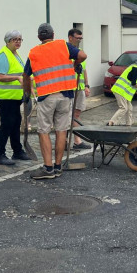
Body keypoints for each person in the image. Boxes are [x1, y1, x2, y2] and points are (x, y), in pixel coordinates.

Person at [23, 23, 86, 180]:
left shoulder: (34, 52)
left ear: (39, 37)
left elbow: (26, 76)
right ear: (53, 35)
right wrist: (76, 64)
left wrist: (26, 92)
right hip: (66, 94)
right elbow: (83, 56)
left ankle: (48, 168)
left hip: (46, 96)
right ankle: (57, 167)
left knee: (44, 131)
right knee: (61, 130)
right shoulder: (62, 45)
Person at [0, 30, 31, 166]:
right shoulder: (3, 55)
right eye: (15, 39)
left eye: (20, 39)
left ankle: (17, 151)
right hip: (3, 97)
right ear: (8, 41)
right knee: (7, 124)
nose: (18, 42)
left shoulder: (15, 54)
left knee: (16, 122)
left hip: (13, 97)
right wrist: (17, 78)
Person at [107, 58, 137, 126]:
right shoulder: (135, 68)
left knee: (129, 109)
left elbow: (136, 87)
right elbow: (134, 83)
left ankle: (128, 125)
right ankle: (111, 123)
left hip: (124, 93)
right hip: (120, 90)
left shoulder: (136, 70)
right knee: (123, 108)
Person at [67, 28, 91, 150]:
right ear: (70, 37)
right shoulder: (65, 52)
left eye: (81, 38)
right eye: (78, 38)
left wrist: (86, 85)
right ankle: (65, 141)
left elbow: (84, 70)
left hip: (79, 88)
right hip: (69, 88)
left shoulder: (81, 52)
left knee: (76, 114)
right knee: (66, 115)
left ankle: (77, 141)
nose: (80, 41)